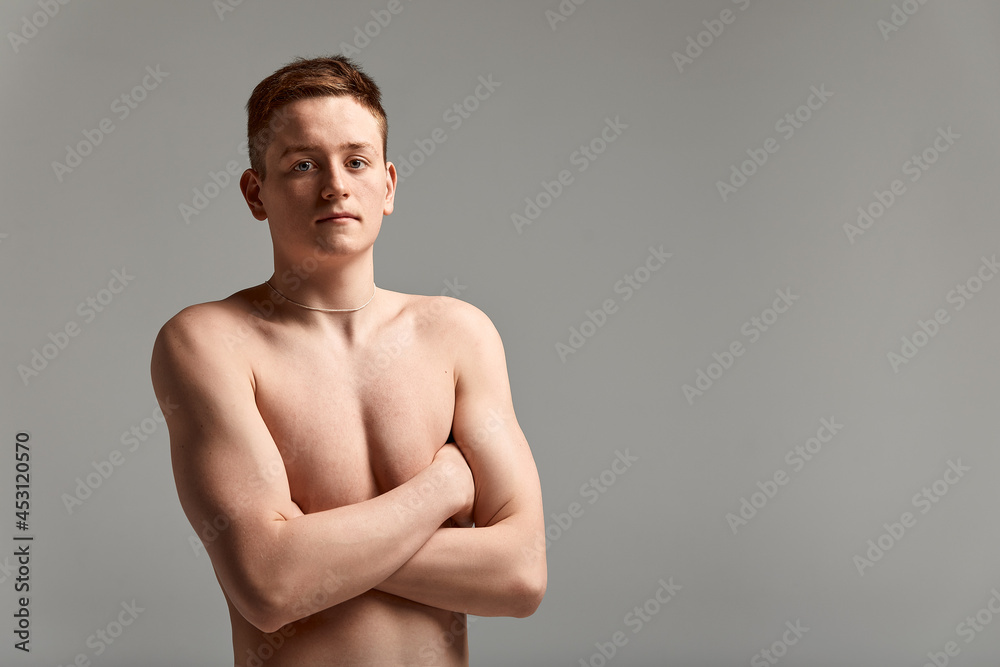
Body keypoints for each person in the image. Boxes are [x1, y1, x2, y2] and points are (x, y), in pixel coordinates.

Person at [149, 55, 546, 666]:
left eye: (356, 161)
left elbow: (520, 576)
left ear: (386, 186)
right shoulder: (208, 341)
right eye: (303, 164)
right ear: (257, 193)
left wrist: (312, 551)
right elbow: (270, 584)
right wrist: (442, 488)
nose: (335, 184)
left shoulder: (459, 334)